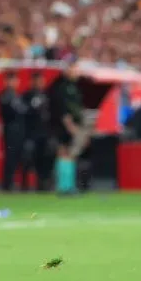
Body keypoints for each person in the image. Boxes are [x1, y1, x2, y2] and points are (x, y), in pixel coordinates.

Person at [49, 59, 84, 194]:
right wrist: (70, 126)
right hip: (63, 125)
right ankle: (63, 186)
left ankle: (69, 185)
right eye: (74, 68)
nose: (76, 71)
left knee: (70, 154)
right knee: (63, 152)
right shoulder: (62, 86)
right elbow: (62, 109)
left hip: (73, 124)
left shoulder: (75, 86)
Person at [22, 71, 53, 191]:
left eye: (41, 81)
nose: (40, 83)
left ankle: (43, 185)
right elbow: (25, 113)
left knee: (44, 159)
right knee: (28, 159)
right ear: (32, 82)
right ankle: (26, 186)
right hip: (31, 133)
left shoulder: (46, 94)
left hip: (44, 133)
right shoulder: (27, 95)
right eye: (38, 81)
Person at [0, 71, 27, 191]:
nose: (12, 83)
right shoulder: (4, 96)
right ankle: (7, 184)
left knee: (22, 157)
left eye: (14, 80)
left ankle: (22, 184)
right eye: (10, 80)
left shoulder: (18, 96)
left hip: (20, 130)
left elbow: (24, 111)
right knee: (10, 157)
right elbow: (10, 112)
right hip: (10, 130)